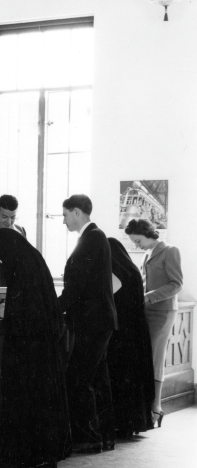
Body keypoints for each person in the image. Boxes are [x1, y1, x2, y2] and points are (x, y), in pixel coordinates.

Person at [0, 228, 71, 468]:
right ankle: (40, 454)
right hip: (41, 346)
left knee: (30, 400)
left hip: (29, 348)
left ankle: (33, 454)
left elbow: (21, 314)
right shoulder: (31, 260)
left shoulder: (22, 269)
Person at [58, 194, 117, 453]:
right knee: (97, 379)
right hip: (98, 320)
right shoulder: (94, 237)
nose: (64, 221)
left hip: (93, 322)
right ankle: (104, 435)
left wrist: (54, 308)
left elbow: (78, 284)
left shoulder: (92, 237)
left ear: (78, 213)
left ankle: (90, 438)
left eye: (65, 215)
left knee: (79, 379)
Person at [124, 219, 183, 427]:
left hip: (162, 312)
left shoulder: (170, 250)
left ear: (147, 233)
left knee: (156, 358)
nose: (136, 245)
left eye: (137, 240)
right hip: (147, 311)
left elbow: (177, 284)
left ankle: (156, 407)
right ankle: (148, 406)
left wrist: (149, 296)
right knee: (148, 358)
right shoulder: (147, 253)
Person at [105, 237, 156, 437]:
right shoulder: (131, 271)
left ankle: (123, 423)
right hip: (137, 334)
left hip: (122, 335)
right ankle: (135, 422)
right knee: (135, 378)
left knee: (121, 377)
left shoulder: (116, 273)